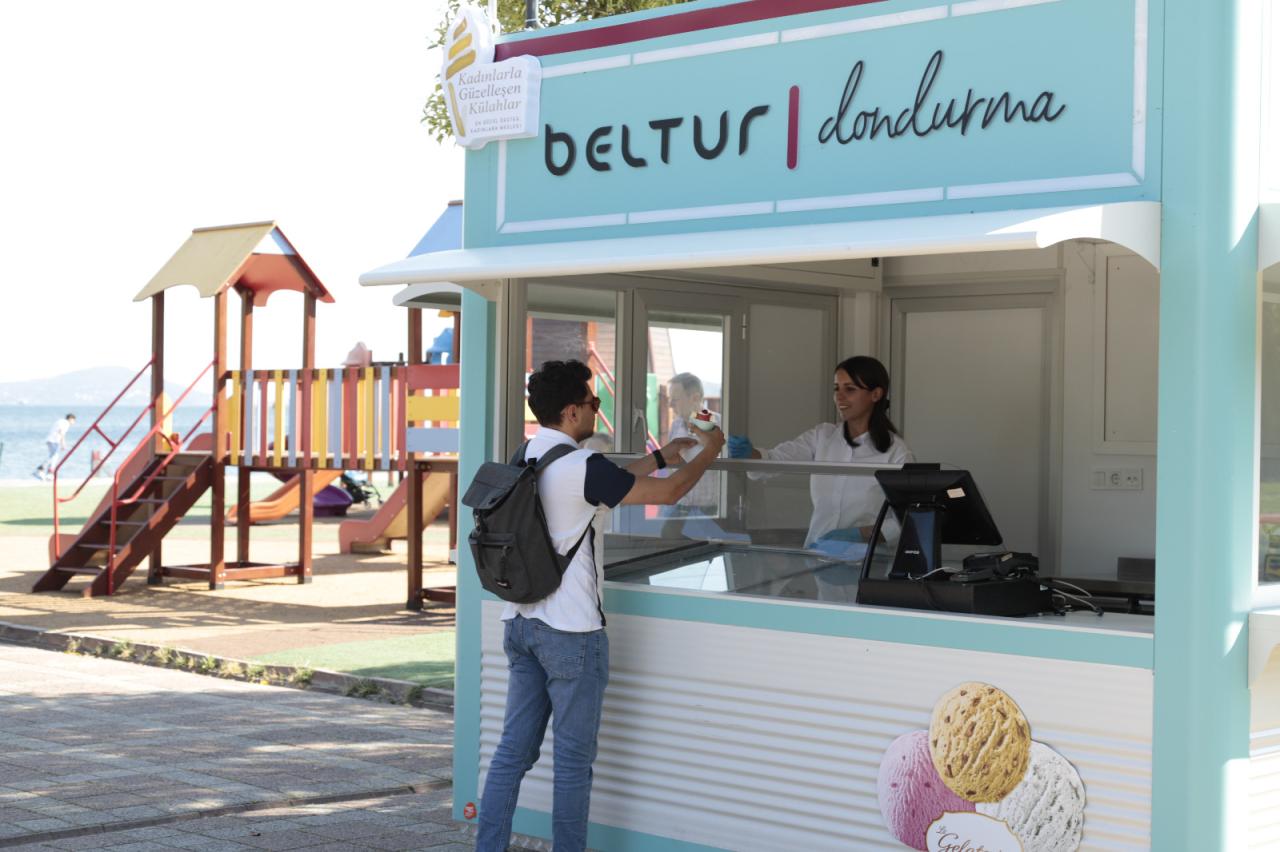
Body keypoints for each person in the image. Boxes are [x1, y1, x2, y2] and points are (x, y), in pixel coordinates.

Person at [477, 359, 725, 852]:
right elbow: (670, 492)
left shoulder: (527, 455)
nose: (596, 409)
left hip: (521, 622)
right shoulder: (581, 466)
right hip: (571, 633)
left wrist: (662, 455)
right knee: (572, 764)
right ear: (572, 411)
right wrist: (709, 452)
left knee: (511, 754)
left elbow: (609, 483)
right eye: (593, 402)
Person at [728, 356, 913, 551]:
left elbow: (908, 518)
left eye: (850, 389)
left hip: (867, 561)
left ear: (876, 394)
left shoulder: (897, 452)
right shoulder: (822, 436)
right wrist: (750, 454)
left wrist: (861, 534)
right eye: (836, 388)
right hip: (816, 554)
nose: (839, 397)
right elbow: (775, 460)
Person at [33, 413, 75, 481]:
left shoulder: (60, 421)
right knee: (54, 456)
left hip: (51, 440)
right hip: (54, 441)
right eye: (73, 421)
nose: (73, 423)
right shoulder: (66, 423)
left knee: (54, 456)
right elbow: (61, 433)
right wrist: (63, 444)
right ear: (70, 419)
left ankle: (49, 473)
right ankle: (40, 469)